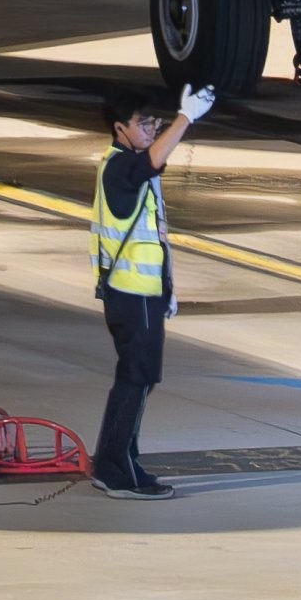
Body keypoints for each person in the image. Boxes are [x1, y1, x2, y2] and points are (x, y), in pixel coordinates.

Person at [89, 79, 212, 498]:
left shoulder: (132, 162)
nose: (151, 129)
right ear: (120, 128)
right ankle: (112, 466)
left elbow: (155, 234)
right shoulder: (120, 165)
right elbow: (152, 163)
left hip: (145, 292)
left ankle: (123, 460)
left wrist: (168, 287)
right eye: (144, 123)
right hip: (130, 293)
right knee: (136, 378)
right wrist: (186, 117)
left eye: (155, 121)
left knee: (140, 379)